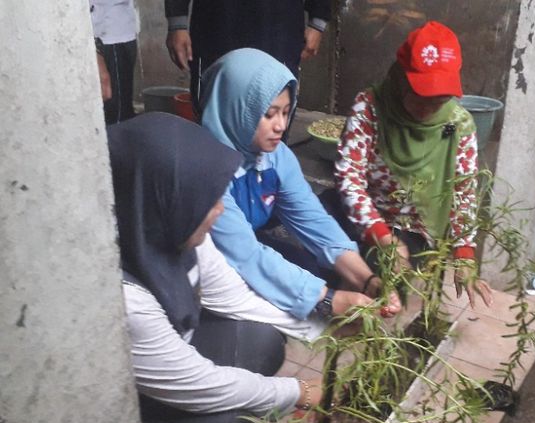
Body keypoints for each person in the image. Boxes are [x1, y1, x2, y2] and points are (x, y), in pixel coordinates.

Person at [108, 112, 324, 423]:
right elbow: (200, 385)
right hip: (123, 415)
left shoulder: (176, 230)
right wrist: (298, 393)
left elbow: (235, 299)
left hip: (167, 365)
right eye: (207, 200)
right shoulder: (125, 297)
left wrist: (324, 328)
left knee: (263, 340)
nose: (220, 211)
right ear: (165, 196)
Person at [199, 48, 401, 326]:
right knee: (261, 333)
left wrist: (367, 280)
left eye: (285, 111)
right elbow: (243, 253)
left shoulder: (275, 156)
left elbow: (312, 220)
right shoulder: (205, 168)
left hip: (244, 247)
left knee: (310, 271)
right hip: (206, 266)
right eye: (268, 115)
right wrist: (328, 299)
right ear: (236, 108)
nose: (281, 125)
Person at [333, 21, 494, 309]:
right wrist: (382, 237)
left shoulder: (457, 124)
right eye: (420, 98)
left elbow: (463, 194)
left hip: (417, 226)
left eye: (439, 100)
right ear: (400, 80)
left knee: (392, 286)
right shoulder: (370, 108)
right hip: (371, 218)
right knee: (340, 260)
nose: (429, 109)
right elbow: (350, 179)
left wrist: (465, 253)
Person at [164, 0, 329, 108]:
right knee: (214, 112)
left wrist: (318, 19)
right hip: (217, 24)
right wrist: (177, 23)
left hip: (279, 24)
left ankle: (271, 162)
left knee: (273, 112)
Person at [90, 0, 138, 124]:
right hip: (106, 35)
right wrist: (94, 50)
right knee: (115, 117)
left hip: (120, 29)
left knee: (121, 112)